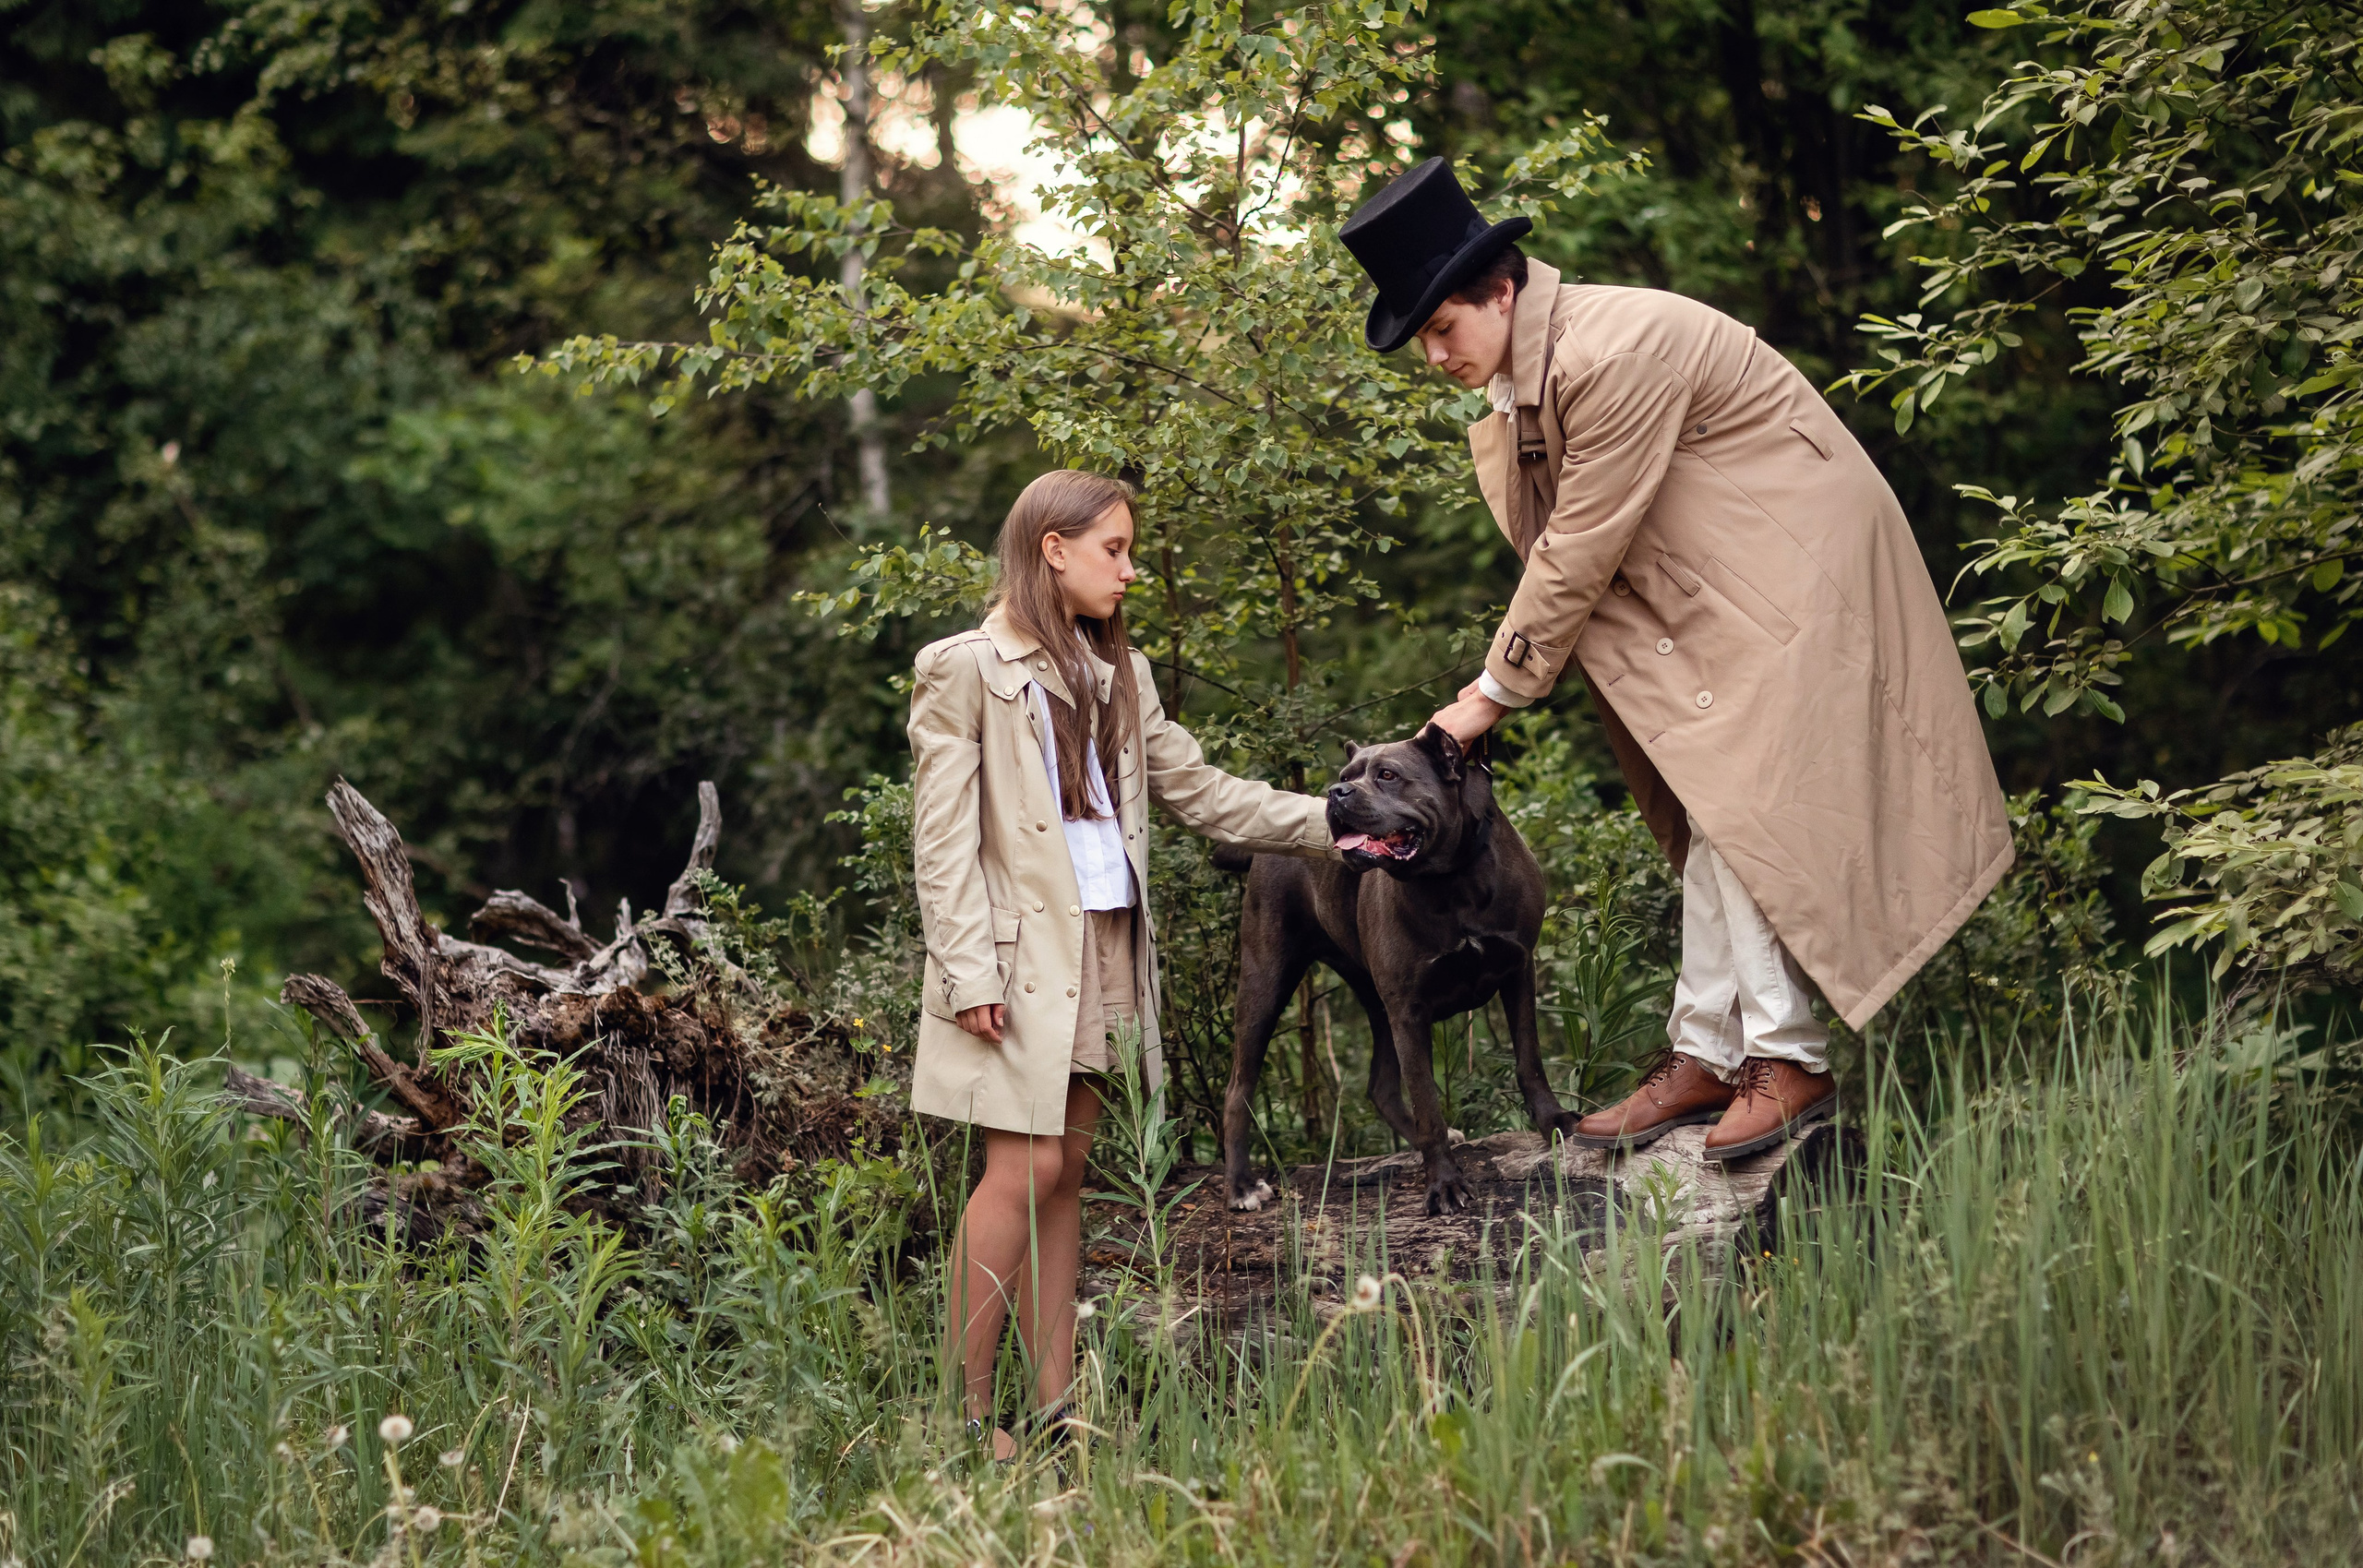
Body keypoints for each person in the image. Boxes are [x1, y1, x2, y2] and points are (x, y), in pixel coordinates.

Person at [1338, 159, 2012, 1159]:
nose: (1435, 354)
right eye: (1422, 338)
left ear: (1501, 288)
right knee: (1711, 805)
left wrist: (1491, 693)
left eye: (1442, 327)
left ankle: (1787, 1058)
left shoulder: (1614, 346)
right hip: (1723, 588)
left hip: (1798, 578)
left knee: (1744, 803)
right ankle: (1707, 1049)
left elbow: (1582, 541)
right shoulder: (1528, 374)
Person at [907, 470, 1336, 1457]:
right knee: (1027, 1166)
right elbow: (941, 841)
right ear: (1052, 549)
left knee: (1069, 1175)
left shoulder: (1118, 675)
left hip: (1105, 941)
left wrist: (1333, 826)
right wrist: (967, 970)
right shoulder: (964, 668)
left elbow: (1204, 794)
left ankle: (1057, 1407)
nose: (1129, 571)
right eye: (1114, 550)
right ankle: (966, 1418)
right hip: (1014, 955)